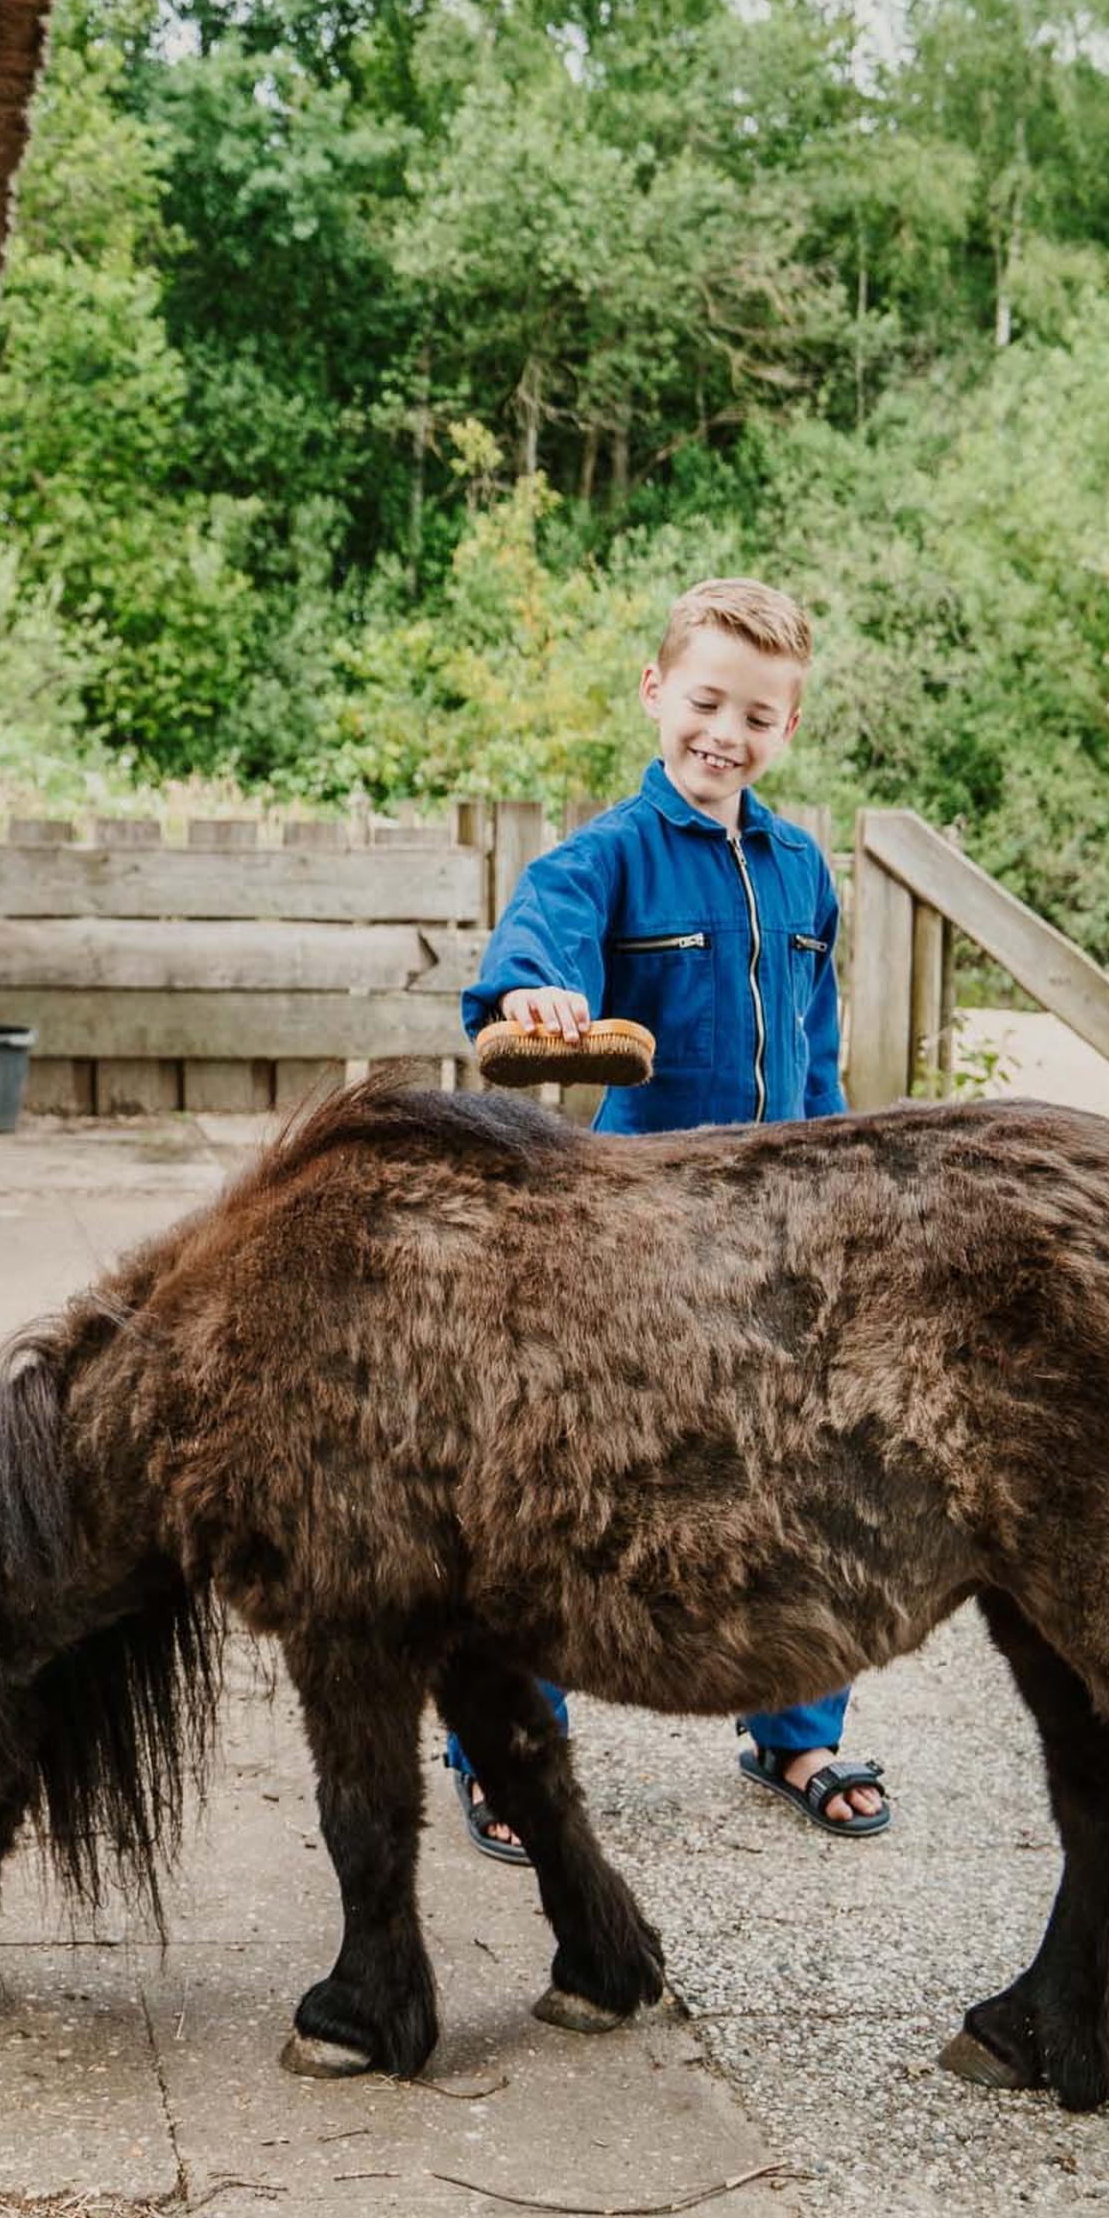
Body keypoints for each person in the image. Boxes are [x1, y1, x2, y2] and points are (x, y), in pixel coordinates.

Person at [447, 577, 887, 1860]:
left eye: (757, 715)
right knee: (570, 1489)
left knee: (798, 1475)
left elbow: (816, 1056)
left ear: (789, 726)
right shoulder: (610, 856)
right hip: (633, 1236)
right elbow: (545, 932)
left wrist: (841, 1186)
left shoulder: (802, 872)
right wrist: (536, 997)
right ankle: (507, 1749)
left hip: (776, 1231)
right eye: (705, 702)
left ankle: (797, 1729)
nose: (724, 734)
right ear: (656, 692)